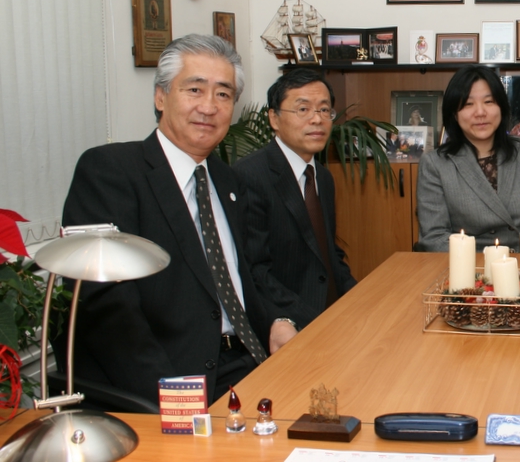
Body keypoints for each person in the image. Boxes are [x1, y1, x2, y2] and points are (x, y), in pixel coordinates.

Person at [61, 34, 299, 406]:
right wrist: (175, 398)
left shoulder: (227, 180)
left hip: (250, 362)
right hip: (173, 380)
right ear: (161, 97)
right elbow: (106, 309)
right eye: (194, 90)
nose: (209, 106)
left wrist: (275, 321)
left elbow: (243, 275)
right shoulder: (111, 171)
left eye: (223, 94)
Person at [234, 69, 358, 328]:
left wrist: (359, 297)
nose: (317, 119)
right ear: (274, 118)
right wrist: (314, 321)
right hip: (289, 323)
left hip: (335, 315)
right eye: (303, 109)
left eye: (324, 110)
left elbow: (328, 254)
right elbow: (256, 271)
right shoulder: (250, 175)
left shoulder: (322, 176)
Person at [416, 66, 520, 252]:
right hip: (468, 264)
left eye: (489, 101)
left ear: (501, 107)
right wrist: (487, 265)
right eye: (468, 104)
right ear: (454, 114)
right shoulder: (435, 164)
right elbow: (434, 237)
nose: (480, 112)